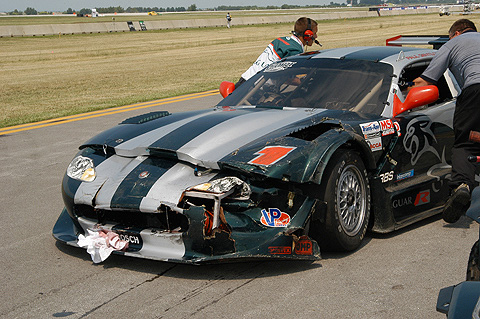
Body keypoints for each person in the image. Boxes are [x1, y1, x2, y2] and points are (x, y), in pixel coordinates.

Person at [412, 19, 480, 223]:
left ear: (456, 33)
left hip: (474, 90)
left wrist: (406, 91)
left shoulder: (452, 43)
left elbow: (425, 81)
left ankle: (461, 186)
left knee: (465, 145)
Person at [235, 17, 319, 88]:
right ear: (308, 35)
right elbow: (289, 78)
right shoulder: (295, 50)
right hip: (253, 88)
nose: (316, 37)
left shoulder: (281, 41)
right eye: (314, 33)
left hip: (244, 81)